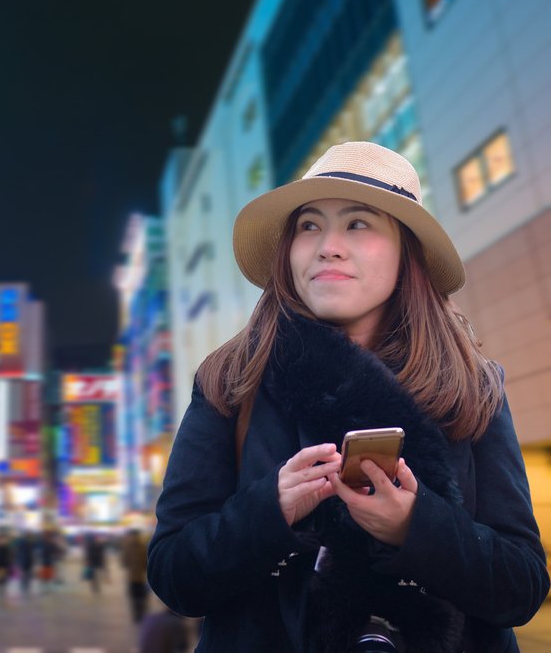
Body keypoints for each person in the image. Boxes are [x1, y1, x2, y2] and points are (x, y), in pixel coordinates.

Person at [147, 141, 550, 652]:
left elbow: (522, 585)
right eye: (309, 226)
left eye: (358, 224)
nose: (327, 246)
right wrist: (268, 510)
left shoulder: (471, 385)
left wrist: (415, 525)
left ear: (408, 253)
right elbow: (173, 573)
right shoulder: (231, 380)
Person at [120, 528, 149, 624]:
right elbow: (146, 562)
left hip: (132, 577)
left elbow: (124, 562)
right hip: (141, 577)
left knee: (134, 597)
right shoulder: (143, 547)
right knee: (142, 597)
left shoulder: (127, 547)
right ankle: (142, 614)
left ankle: (136, 615)